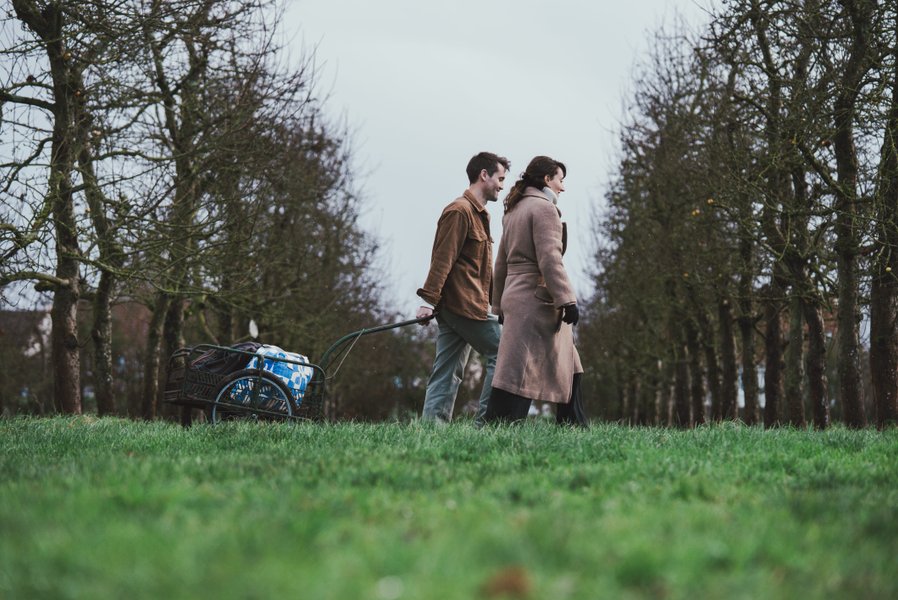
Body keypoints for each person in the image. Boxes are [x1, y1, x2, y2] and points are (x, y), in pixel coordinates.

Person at [484, 155, 588, 426]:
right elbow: (549, 258)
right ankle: (501, 426)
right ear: (546, 179)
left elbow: (501, 261)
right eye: (560, 180)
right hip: (537, 299)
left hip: (517, 296)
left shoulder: (515, 208)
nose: (562, 188)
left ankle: (573, 425)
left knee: (570, 363)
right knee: (517, 371)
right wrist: (567, 300)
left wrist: (498, 305)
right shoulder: (544, 209)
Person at [415, 151, 510, 425]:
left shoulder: (480, 214)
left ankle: (432, 429)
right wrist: (428, 301)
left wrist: (495, 304)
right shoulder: (459, 211)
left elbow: (480, 269)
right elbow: (442, 258)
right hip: (462, 306)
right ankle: (486, 425)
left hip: (465, 306)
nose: (502, 185)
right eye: (500, 178)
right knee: (503, 351)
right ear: (484, 175)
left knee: (446, 371)